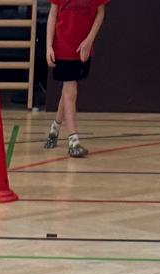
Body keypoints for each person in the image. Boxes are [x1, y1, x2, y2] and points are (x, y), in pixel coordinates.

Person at [43, 0, 108, 157]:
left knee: (68, 92)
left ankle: (54, 128)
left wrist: (90, 39)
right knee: (71, 91)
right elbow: (52, 14)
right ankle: (73, 141)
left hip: (82, 48)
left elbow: (100, 12)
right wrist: (49, 46)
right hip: (62, 47)